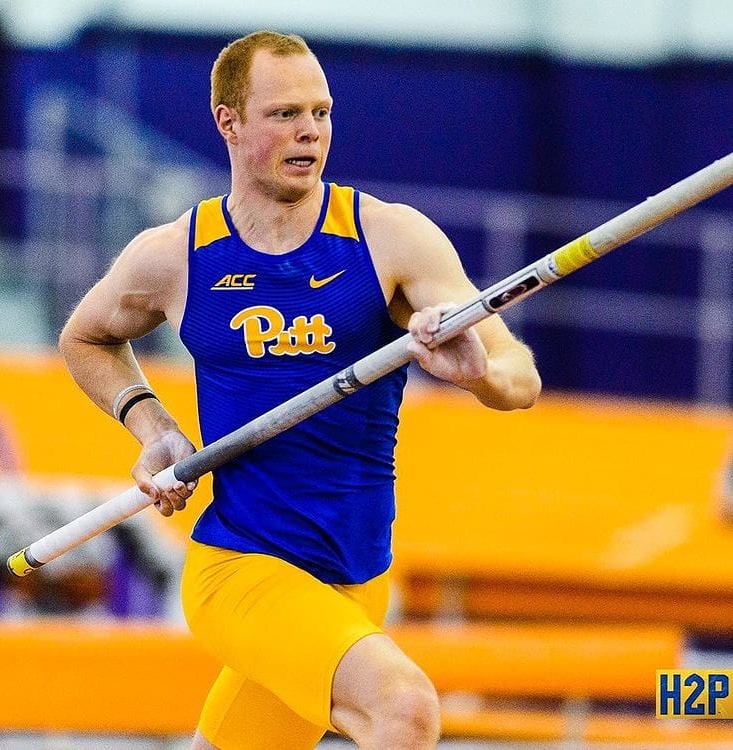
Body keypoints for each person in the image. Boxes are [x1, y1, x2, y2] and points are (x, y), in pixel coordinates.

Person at [58, 30, 541, 750]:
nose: (310, 131)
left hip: (352, 579)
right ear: (228, 122)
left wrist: (478, 375)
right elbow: (86, 337)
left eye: (321, 112)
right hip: (241, 568)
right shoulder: (177, 254)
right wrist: (153, 427)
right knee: (404, 709)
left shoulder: (390, 239)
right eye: (285, 114)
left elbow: (520, 377)